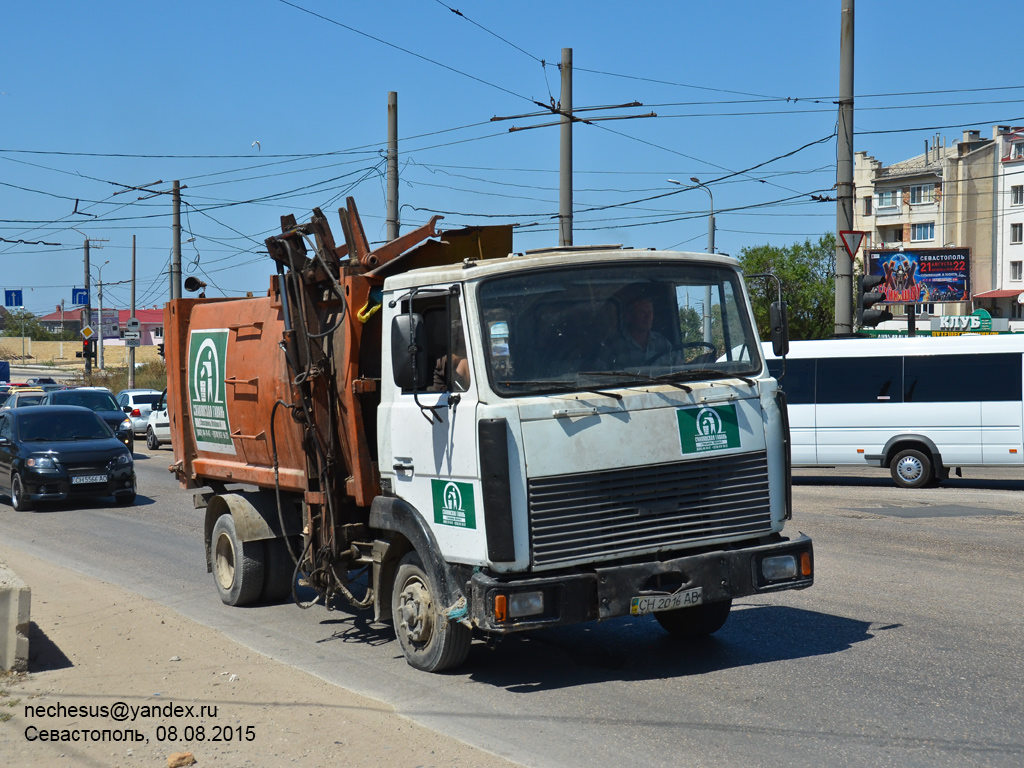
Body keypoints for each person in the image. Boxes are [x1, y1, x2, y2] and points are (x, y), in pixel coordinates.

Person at [599, 295, 675, 368]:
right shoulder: (613, 344)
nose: (647, 317)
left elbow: (679, 366)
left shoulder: (662, 342)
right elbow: (599, 373)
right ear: (629, 316)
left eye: (650, 312)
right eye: (643, 312)